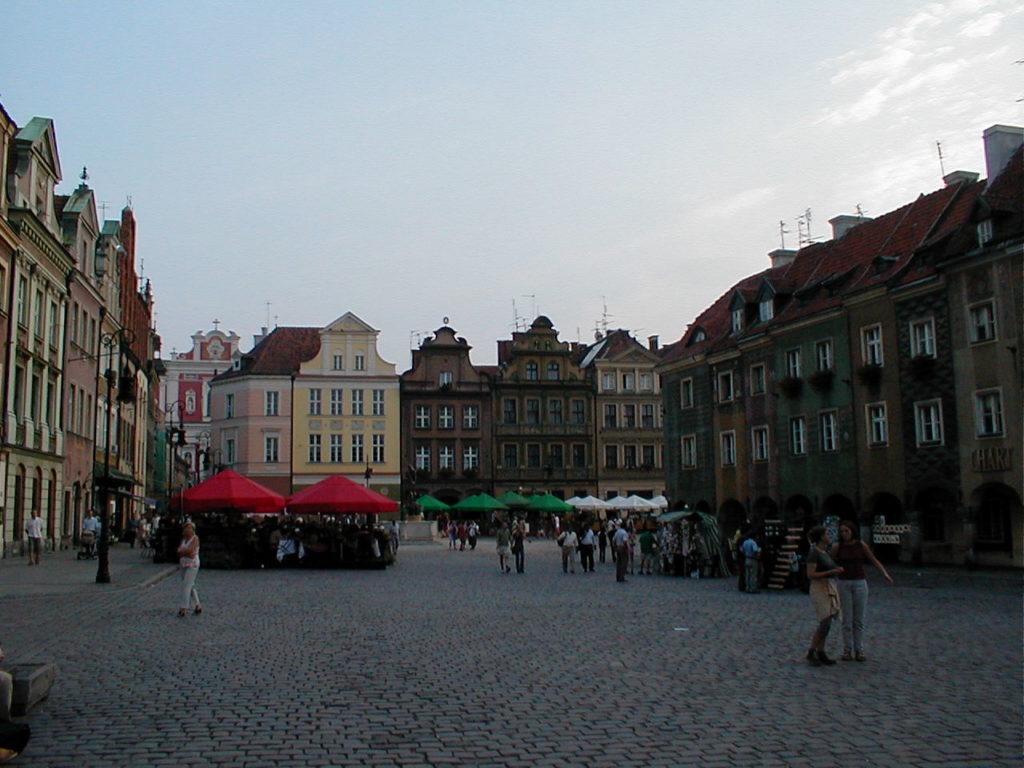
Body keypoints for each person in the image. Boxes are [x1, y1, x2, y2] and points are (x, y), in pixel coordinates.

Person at [832, 520, 893, 662]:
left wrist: (884, 573)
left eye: (847, 531)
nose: (844, 534)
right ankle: (847, 649)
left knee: (858, 619)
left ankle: (859, 649)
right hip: (844, 583)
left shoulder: (861, 545)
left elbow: (872, 559)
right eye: (842, 531)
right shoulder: (837, 547)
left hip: (859, 582)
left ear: (852, 531)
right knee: (847, 619)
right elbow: (829, 561)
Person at [805, 525, 842, 666]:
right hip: (819, 587)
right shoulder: (814, 553)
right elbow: (810, 574)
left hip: (829, 586)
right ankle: (812, 651)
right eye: (827, 533)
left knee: (827, 622)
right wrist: (830, 572)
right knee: (824, 620)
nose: (829, 536)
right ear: (821, 536)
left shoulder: (825, 552)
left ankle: (821, 651)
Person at [176, 522, 202, 617]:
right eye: (186, 528)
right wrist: (184, 552)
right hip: (183, 564)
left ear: (193, 530)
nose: (188, 530)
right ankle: (197, 605)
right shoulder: (184, 539)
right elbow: (179, 551)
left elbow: (191, 552)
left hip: (192, 565)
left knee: (186, 585)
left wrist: (183, 552)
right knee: (190, 585)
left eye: (190, 528)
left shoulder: (195, 539)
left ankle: (184, 607)